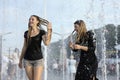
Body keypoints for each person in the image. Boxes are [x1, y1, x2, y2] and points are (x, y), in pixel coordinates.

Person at [18, 15, 52, 80]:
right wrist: (20, 60)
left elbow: (46, 43)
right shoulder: (26, 33)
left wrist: (49, 30)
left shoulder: (41, 32)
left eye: (32, 19)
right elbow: (24, 47)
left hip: (38, 60)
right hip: (27, 60)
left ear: (37, 21)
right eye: (29, 19)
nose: (30, 21)